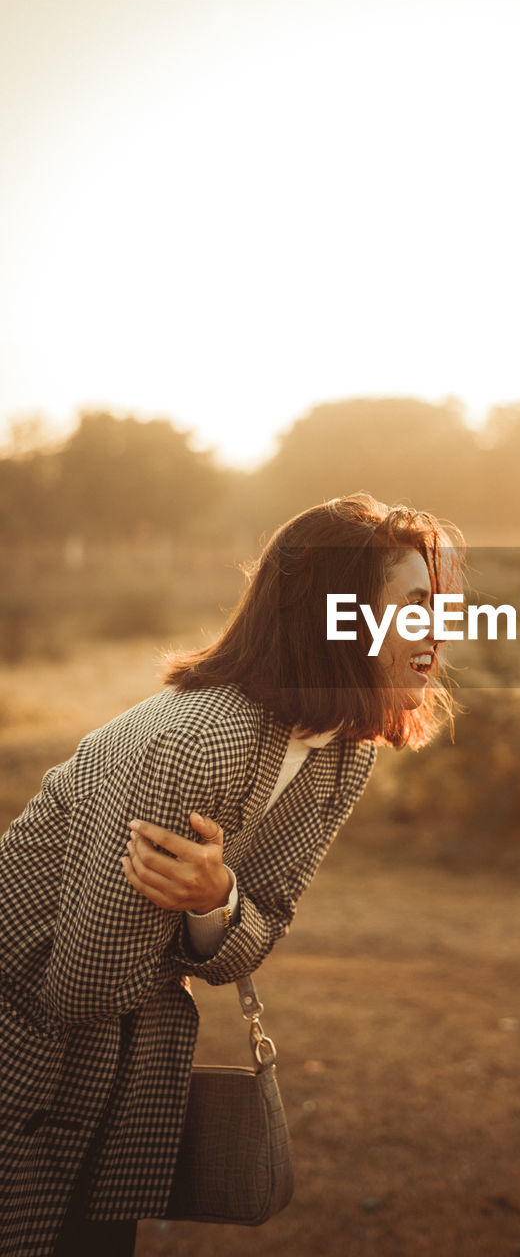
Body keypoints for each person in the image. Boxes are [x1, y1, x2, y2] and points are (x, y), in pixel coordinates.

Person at [0, 493, 462, 1257]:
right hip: (27, 1054)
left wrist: (216, 900)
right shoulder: (197, 742)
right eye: (413, 607)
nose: (436, 631)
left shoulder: (345, 749)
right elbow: (84, 984)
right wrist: (200, 932)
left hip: (117, 1071)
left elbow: (262, 930)